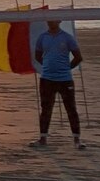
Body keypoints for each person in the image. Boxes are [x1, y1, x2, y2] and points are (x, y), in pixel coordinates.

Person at [31, 19, 84, 149]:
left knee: (71, 109)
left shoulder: (67, 37)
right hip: (47, 79)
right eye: (48, 20)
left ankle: (77, 140)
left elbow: (78, 57)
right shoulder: (42, 37)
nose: (50, 22)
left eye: (53, 20)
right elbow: (38, 56)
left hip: (65, 79)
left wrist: (66, 68)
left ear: (59, 21)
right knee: (46, 109)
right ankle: (43, 138)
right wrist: (48, 66)